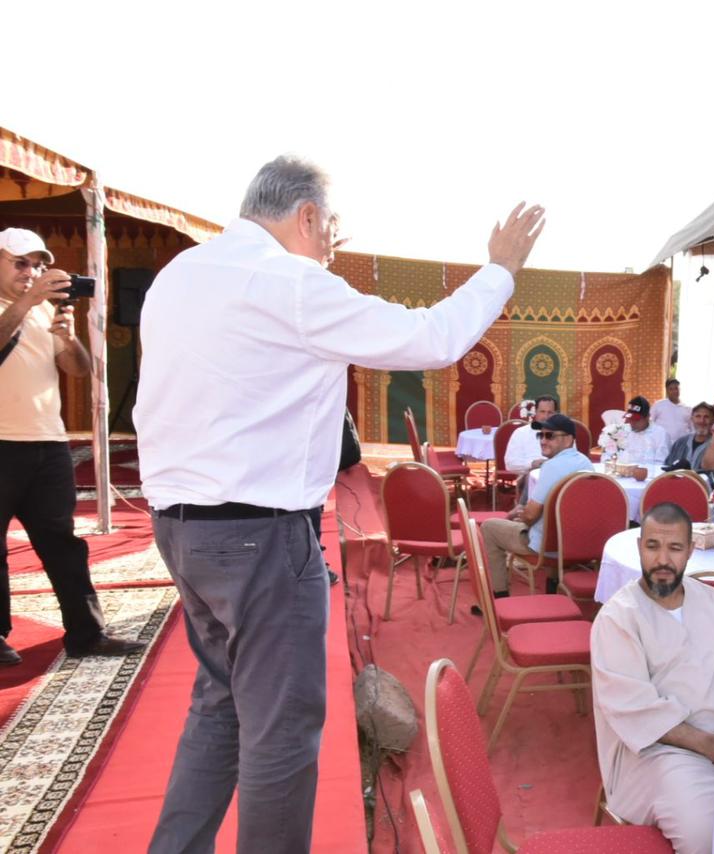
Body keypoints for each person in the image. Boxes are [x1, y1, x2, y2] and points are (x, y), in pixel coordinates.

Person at [134, 155, 545, 853]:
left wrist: (314, 265)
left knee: (219, 708)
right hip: (259, 539)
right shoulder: (291, 284)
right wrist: (500, 268)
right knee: (281, 735)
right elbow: (433, 337)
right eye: (330, 227)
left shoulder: (182, 273)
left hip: (182, 530)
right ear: (307, 216)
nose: (333, 244)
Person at [591, 503, 714, 854]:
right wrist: (712, 745)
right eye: (653, 546)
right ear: (640, 547)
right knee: (706, 833)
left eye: (675, 548)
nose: (662, 560)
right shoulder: (618, 617)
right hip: (661, 753)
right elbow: (636, 710)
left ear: (691, 551)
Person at [0, 228, 145, 667]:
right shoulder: (25, 306)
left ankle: (87, 633)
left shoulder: (44, 310)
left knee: (62, 542)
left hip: (47, 442)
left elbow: (78, 370)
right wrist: (29, 302)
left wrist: (68, 337)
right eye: (20, 263)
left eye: (38, 265)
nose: (31, 272)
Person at [482, 414, 592, 597]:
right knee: (548, 523)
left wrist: (519, 514)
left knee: (489, 527)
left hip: (547, 547)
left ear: (568, 440)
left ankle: (499, 596)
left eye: (550, 436)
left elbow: (531, 515)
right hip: (576, 542)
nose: (543, 440)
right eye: (541, 435)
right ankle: (552, 588)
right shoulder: (585, 462)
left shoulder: (551, 467)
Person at [608, 396, 670, 479]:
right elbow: (610, 457)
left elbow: (660, 464)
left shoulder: (660, 434)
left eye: (636, 420)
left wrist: (639, 472)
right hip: (622, 478)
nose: (632, 423)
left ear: (647, 417)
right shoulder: (623, 431)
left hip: (649, 479)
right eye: (630, 419)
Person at [504, 395, 558, 474]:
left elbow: (572, 460)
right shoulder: (521, 433)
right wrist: (531, 464)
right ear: (535, 412)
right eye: (542, 412)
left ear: (555, 414)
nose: (546, 416)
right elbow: (510, 464)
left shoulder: (564, 434)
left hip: (558, 476)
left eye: (550, 412)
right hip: (529, 474)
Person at [664, 402, 714, 470]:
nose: (702, 421)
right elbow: (667, 466)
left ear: (713, 420)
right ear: (692, 419)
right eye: (698, 416)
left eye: (706, 417)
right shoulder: (680, 443)